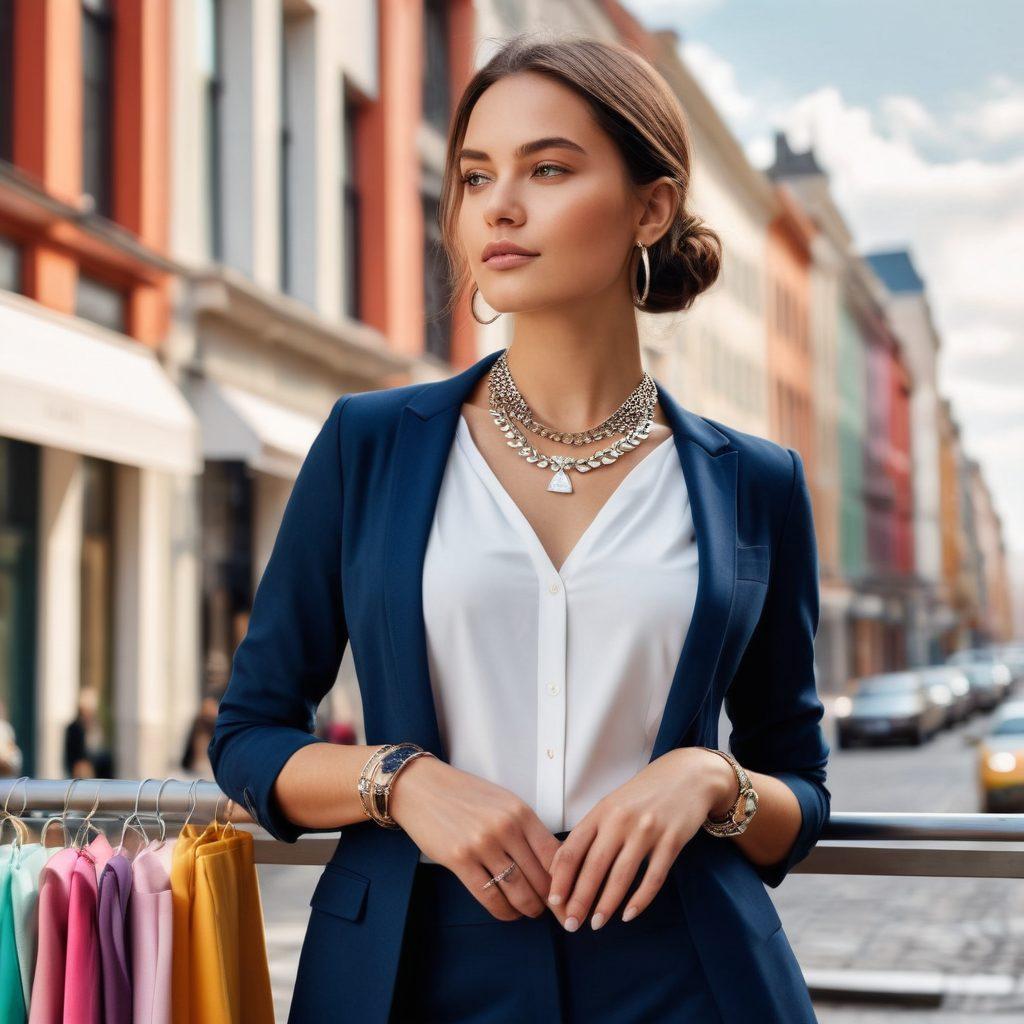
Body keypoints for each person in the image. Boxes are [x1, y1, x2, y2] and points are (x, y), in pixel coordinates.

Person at [209, 33, 831, 1024]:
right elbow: (248, 735)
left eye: (547, 169)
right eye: (474, 176)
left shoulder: (754, 483)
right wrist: (399, 781)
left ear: (651, 208)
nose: (497, 206)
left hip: (690, 974)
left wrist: (710, 778)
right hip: (411, 971)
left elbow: (797, 786)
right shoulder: (369, 445)